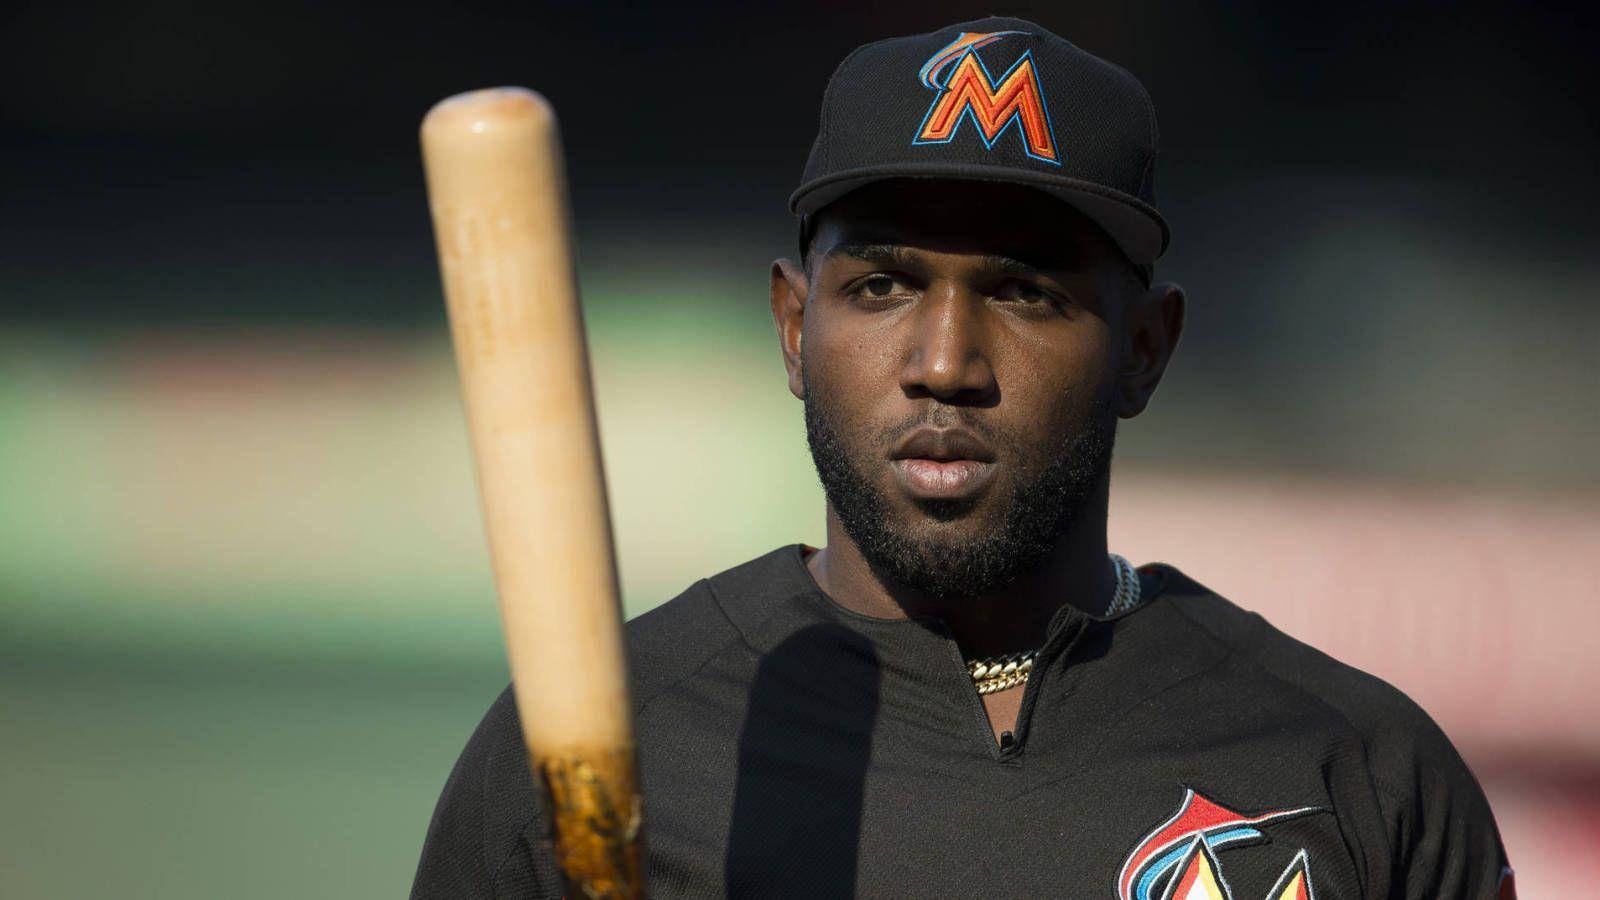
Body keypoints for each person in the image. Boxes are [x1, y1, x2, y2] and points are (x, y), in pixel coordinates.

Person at [412, 17, 1512, 899]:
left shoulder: (1355, 769)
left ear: (1143, 350)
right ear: (795, 328)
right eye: (881, 286)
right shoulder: (599, 754)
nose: (943, 362)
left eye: (1025, 290)